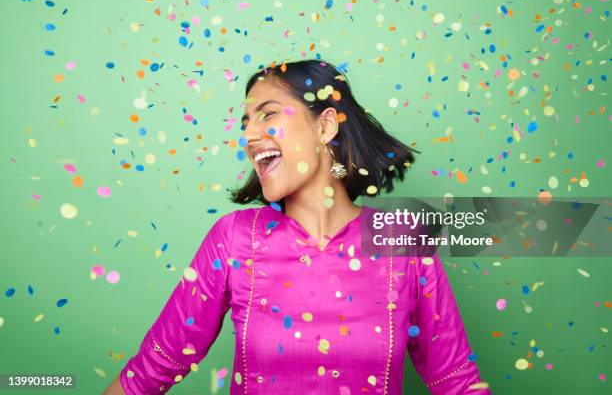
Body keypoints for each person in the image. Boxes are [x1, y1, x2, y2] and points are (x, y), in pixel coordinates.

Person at [103, 59, 491, 394]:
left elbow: (455, 380)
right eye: (246, 123)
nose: (250, 135)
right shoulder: (235, 239)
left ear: (325, 126)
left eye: (268, 114)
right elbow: (152, 369)